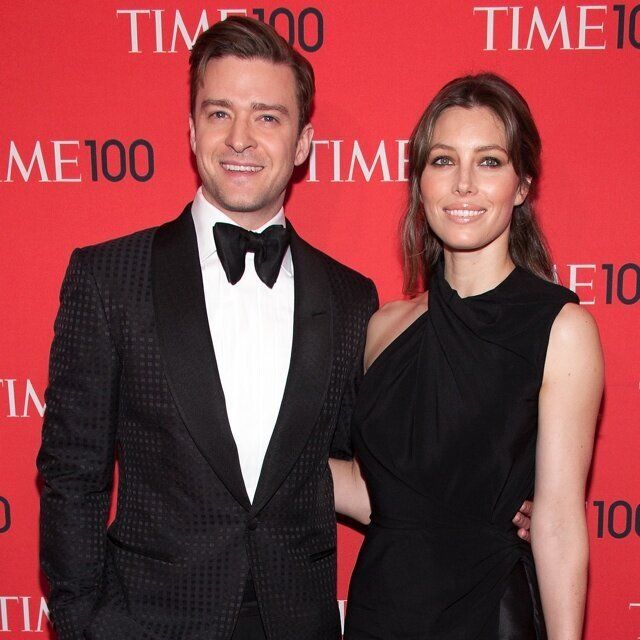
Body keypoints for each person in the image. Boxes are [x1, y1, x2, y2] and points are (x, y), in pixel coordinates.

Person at [36, 17, 379, 640]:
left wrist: (489, 506)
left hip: (297, 621)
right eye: (220, 113)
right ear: (192, 131)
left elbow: (378, 464)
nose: (240, 139)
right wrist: (80, 624)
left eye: (268, 117)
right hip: (148, 622)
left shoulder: (353, 298)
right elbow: (71, 473)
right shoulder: (108, 277)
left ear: (303, 143)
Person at [331, 73, 604, 639]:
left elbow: (555, 523)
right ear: (419, 183)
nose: (462, 186)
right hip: (381, 610)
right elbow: (371, 491)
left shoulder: (561, 328)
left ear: (522, 184)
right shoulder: (383, 326)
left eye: (488, 162)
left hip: (487, 614)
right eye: (442, 161)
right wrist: (238, 449)